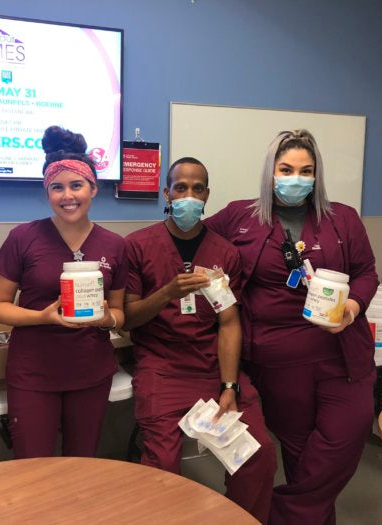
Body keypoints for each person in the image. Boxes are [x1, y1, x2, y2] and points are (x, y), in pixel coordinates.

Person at [204, 130, 379, 525]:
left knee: (343, 441)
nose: (295, 178)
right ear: (270, 173)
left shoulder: (343, 219)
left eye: (306, 170)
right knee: (301, 456)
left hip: (342, 354)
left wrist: (352, 307)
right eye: (286, 169)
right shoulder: (239, 216)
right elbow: (191, 239)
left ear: (317, 176)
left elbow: (366, 272)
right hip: (279, 363)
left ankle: (277, 515)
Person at [123, 157, 277, 524]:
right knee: (162, 466)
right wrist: (167, 292)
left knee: (258, 457)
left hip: (213, 367)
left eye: (197, 188)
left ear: (207, 195)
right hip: (162, 369)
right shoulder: (137, 246)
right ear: (167, 193)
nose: (188, 196)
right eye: (180, 188)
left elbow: (228, 322)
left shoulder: (224, 253)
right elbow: (128, 319)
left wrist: (228, 385)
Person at [0, 126, 127, 459]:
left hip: (90, 373)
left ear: (94, 189)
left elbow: (122, 314)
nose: (68, 196)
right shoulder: (23, 238)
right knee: (33, 468)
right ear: (46, 191)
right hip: (33, 373)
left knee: (82, 463)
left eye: (77, 185)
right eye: (57, 188)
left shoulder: (115, 245)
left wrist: (107, 318)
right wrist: (41, 317)